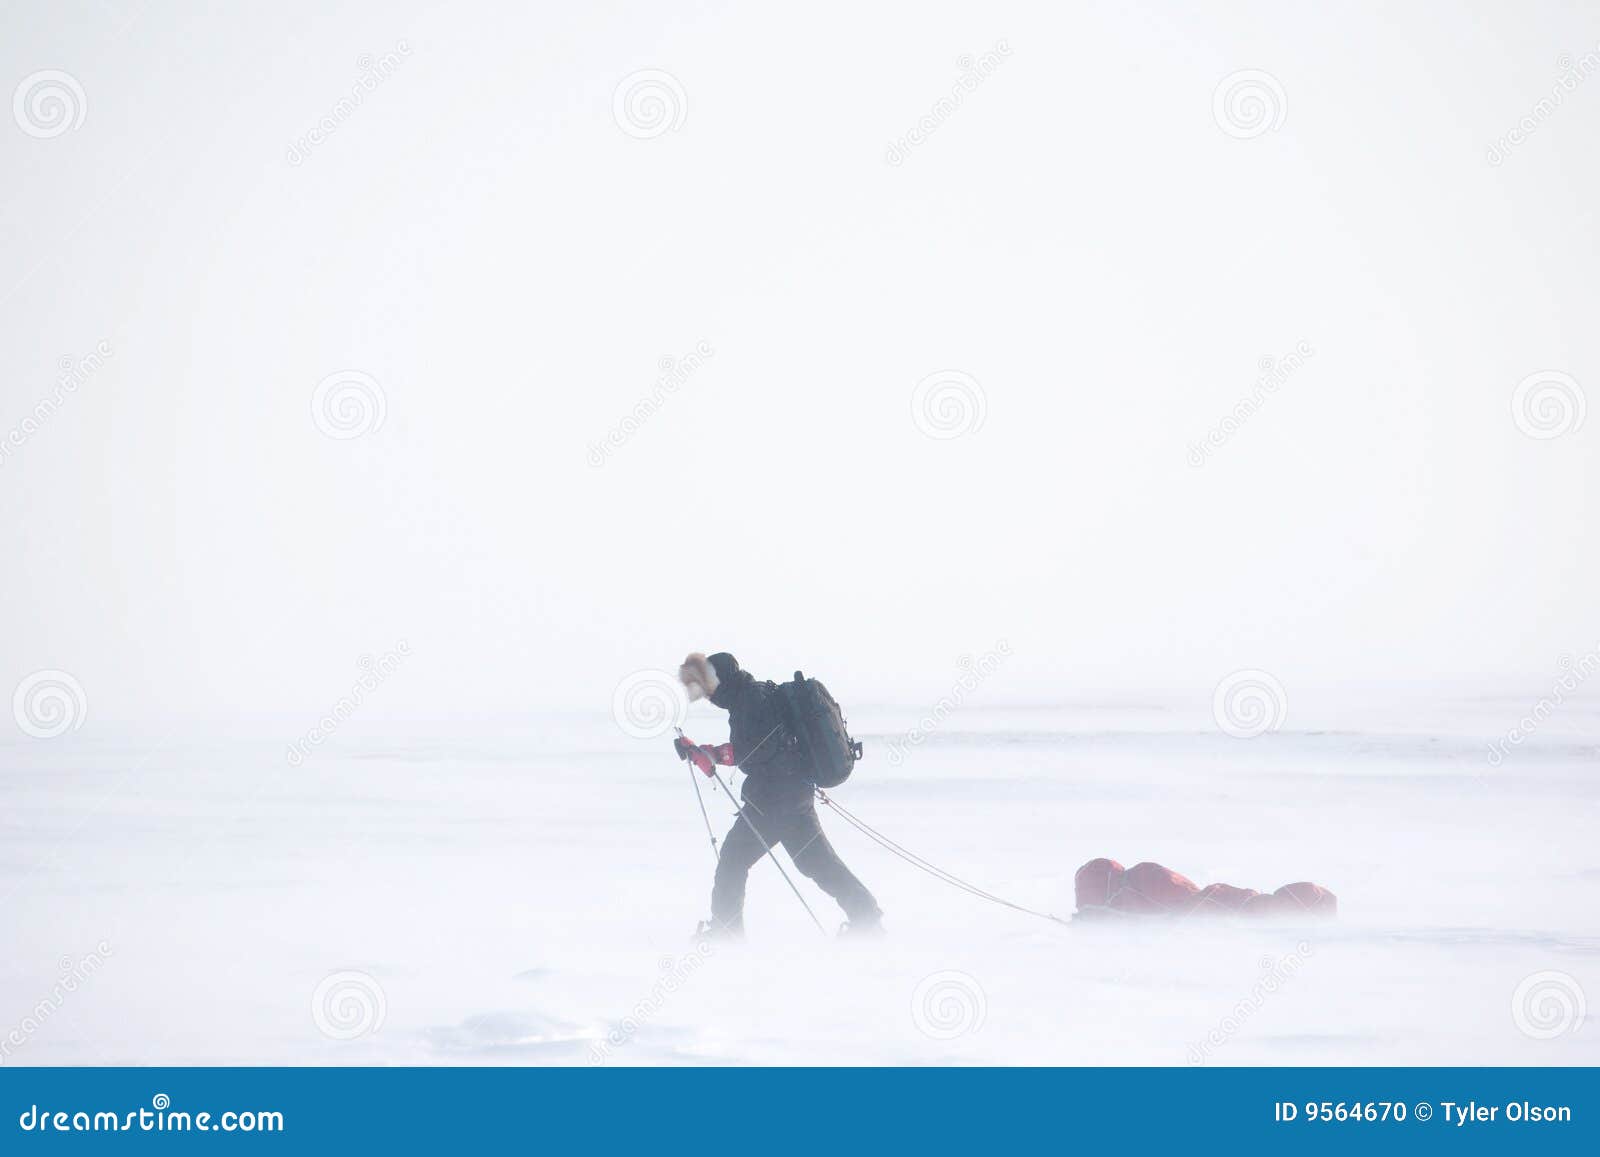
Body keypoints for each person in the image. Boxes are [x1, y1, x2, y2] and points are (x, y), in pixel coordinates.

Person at [676, 651, 882, 937]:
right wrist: (707, 755)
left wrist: (709, 755)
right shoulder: (754, 695)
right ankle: (867, 917)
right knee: (816, 863)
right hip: (793, 795)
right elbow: (760, 747)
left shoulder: (750, 701)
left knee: (733, 860)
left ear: (720, 681)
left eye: (709, 688)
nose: (708, 696)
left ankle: (726, 934)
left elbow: (755, 750)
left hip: (773, 801)